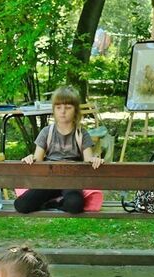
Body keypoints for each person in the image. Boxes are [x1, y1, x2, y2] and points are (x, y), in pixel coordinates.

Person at [14, 86, 103, 214]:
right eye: (58, 107)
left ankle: (56, 203)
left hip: (72, 180)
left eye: (68, 108)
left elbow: (88, 160)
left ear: (75, 110)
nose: (63, 111)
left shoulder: (81, 133)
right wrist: (30, 158)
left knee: (75, 205)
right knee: (21, 205)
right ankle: (51, 200)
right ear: (54, 110)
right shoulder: (46, 132)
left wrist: (94, 160)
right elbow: (37, 159)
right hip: (49, 179)